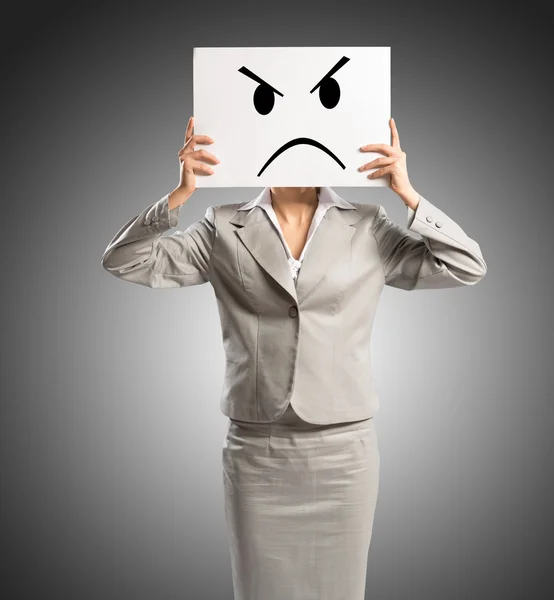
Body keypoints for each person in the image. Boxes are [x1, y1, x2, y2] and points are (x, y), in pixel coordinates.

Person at [101, 116, 487, 600]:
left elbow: (465, 266)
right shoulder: (222, 224)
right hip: (258, 451)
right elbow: (125, 261)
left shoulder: (368, 224)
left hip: (345, 454)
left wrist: (409, 195)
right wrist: (178, 197)